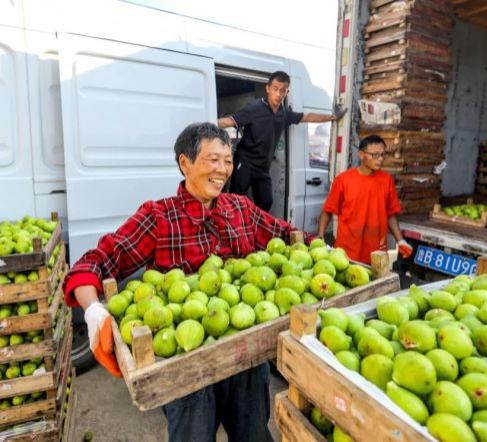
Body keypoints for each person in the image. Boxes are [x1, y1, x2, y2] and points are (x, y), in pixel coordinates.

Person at [63, 122, 307, 442]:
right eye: (212, 160)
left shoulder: (241, 208)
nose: (222, 169)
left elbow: (292, 239)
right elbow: (94, 262)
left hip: (245, 358)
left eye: (227, 160)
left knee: (253, 434)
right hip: (185, 368)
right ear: (185, 163)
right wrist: (93, 309)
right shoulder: (158, 216)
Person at [218, 70, 345, 211]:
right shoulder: (254, 108)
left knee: (266, 202)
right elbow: (229, 121)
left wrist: (332, 117)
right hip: (245, 162)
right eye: (275, 89)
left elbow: (307, 117)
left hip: (262, 167)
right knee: (234, 200)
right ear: (268, 89)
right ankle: (231, 229)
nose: (278, 94)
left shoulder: (284, 114)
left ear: (287, 92)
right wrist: (204, 123)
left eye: (283, 90)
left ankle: (256, 230)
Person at [317, 134, 413, 264]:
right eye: (375, 155)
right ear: (361, 155)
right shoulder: (343, 180)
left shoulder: (386, 180)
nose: (380, 159)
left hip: (376, 253)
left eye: (382, 155)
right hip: (347, 253)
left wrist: (400, 240)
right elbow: (327, 211)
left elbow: (390, 214)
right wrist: (321, 237)